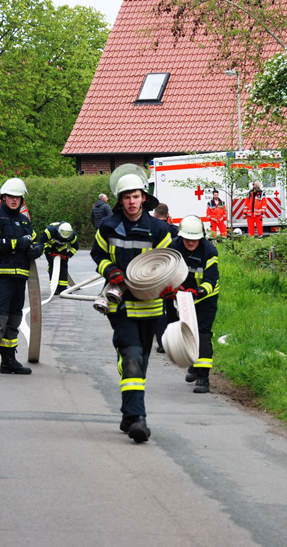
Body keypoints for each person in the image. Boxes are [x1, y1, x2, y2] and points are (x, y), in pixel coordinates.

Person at [91, 173, 172, 443]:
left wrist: (170, 285)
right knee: (133, 356)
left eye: (136, 196)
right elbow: (97, 254)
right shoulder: (109, 226)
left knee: (141, 362)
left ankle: (128, 414)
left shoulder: (159, 229)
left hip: (150, 305)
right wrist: (110, 270)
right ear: (120, 200)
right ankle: (139, 419)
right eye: (127, 197)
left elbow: (168, 262)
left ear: (144, 198)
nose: (132, 201)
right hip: (120, 304)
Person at [0, 177, 43, 378]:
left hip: (19, 277)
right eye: (11, 197)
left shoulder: (24, 221)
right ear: (4, 197)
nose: (15, 200)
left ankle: (9, 361)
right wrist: (16, 243)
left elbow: (35, 241)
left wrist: (37, 249)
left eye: (18, 197)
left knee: (14, 320)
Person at [168, 215, 219, 394]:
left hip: (204, 299)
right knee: (182, 331)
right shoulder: (173, 247)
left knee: (203, 334)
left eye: (194, 239)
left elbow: (211, 279)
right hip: (179, 297)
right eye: (187, 239)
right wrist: (172, 287)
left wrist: (199, 292)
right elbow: (166, 269)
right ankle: (192, 363)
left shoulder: (209, 251)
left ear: (201, 238)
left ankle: (203, 378)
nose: (190, 242)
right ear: (181, 236)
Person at [152, 203, 179, 354]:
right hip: (173, 273)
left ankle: (162, 342)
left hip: (156, 273)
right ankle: (173, 342)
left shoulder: (151, 228)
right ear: (168, 215)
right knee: (173, 307)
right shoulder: (175, 230)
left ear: (155, 215)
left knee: (159, 308)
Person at [37, 221, 78, 294]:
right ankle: (54, 287)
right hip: (50, 248)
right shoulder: (50, 231)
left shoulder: (72, 235)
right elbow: (41, 243)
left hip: (62, 249)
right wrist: (49, 252)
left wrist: (68, 255)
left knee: (64, 266)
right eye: (61, 236)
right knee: (52, 266)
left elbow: (75, 247)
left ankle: (63, 288)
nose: (62, 238)